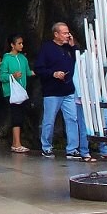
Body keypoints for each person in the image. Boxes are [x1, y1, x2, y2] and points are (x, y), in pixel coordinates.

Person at [34, 22, 81, 159]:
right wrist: (53, 74)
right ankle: (46, 146)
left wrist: (73, 46)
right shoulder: (47, 48)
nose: (67, 35)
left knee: (72, 119)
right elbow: (39, 68)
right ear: (56, 34)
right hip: (52, 90)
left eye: (68, 33)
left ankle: (72, 148)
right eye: (64, 33)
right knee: (49, 120)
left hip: (69, 89)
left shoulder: (69, 48)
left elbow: (79, 61)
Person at [0, 33, 33, 153]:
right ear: (12, 45)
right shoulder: (7, 59)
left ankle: (15, 143)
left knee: (20, 116)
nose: (22, 45)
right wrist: (12, 76)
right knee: (16, 116)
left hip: (22, 92)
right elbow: (2, 76)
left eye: (22, 43)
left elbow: (28, 72)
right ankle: (17, 144)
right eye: (19, 43)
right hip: (11, 92)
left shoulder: (23, 58)